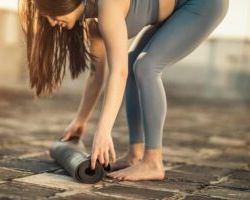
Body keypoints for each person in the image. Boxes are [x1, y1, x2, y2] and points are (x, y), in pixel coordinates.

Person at [18, 0, 229, 181]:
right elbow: (96, 76)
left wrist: (103, 131)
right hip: (179, 9)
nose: (51, 21)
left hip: (203, 3)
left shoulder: (108, 5)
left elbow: (118, 73)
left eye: (51, 13)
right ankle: (134, 154)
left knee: (146, 67)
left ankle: (153, 162)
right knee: (131, 61)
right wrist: (81, 120)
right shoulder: (92, 22)